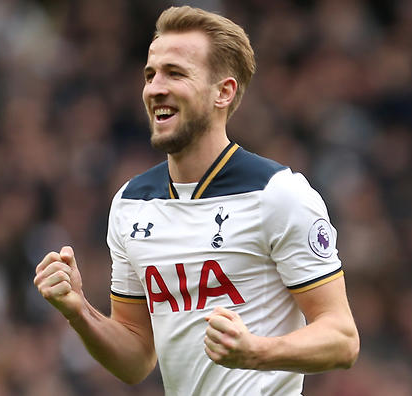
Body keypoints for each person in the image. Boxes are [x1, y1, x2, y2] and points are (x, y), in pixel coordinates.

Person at [34, 5, 359, 395]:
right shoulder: (130, 204)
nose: (155, 88)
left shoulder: (278, 195)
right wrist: (79, 311)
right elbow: (136, 358)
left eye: (175, 73)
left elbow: (342, 338)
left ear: (223, 92)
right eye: (150, 75)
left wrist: (256, 351)